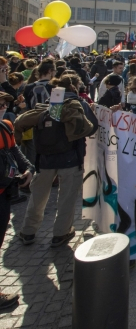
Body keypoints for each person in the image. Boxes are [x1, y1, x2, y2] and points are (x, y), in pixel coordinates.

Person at [16, 74, 98, 247]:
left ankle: (28, 231)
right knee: (66, 198)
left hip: (44, 158)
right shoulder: (78, 104)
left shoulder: (47, 103)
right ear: (74, 87)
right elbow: (92, 127)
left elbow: (23, 121)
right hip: (70, 157)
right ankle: (61, 233)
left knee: (38, 197)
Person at [0, 92, 33, 308]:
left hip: (4, 193)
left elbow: (14, 150)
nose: (3, 108)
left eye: (3, 104)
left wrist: (27, 168)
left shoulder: (5, 126)